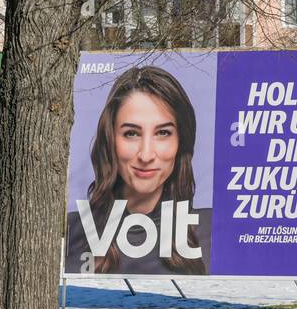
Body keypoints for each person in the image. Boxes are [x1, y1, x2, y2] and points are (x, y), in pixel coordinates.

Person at [65, 65, 208, 275]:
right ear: (110, 139)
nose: (146, 155)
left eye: (163, 133)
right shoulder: (75, 231)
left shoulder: (208, 231)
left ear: (182, 141)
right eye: (131, 133)